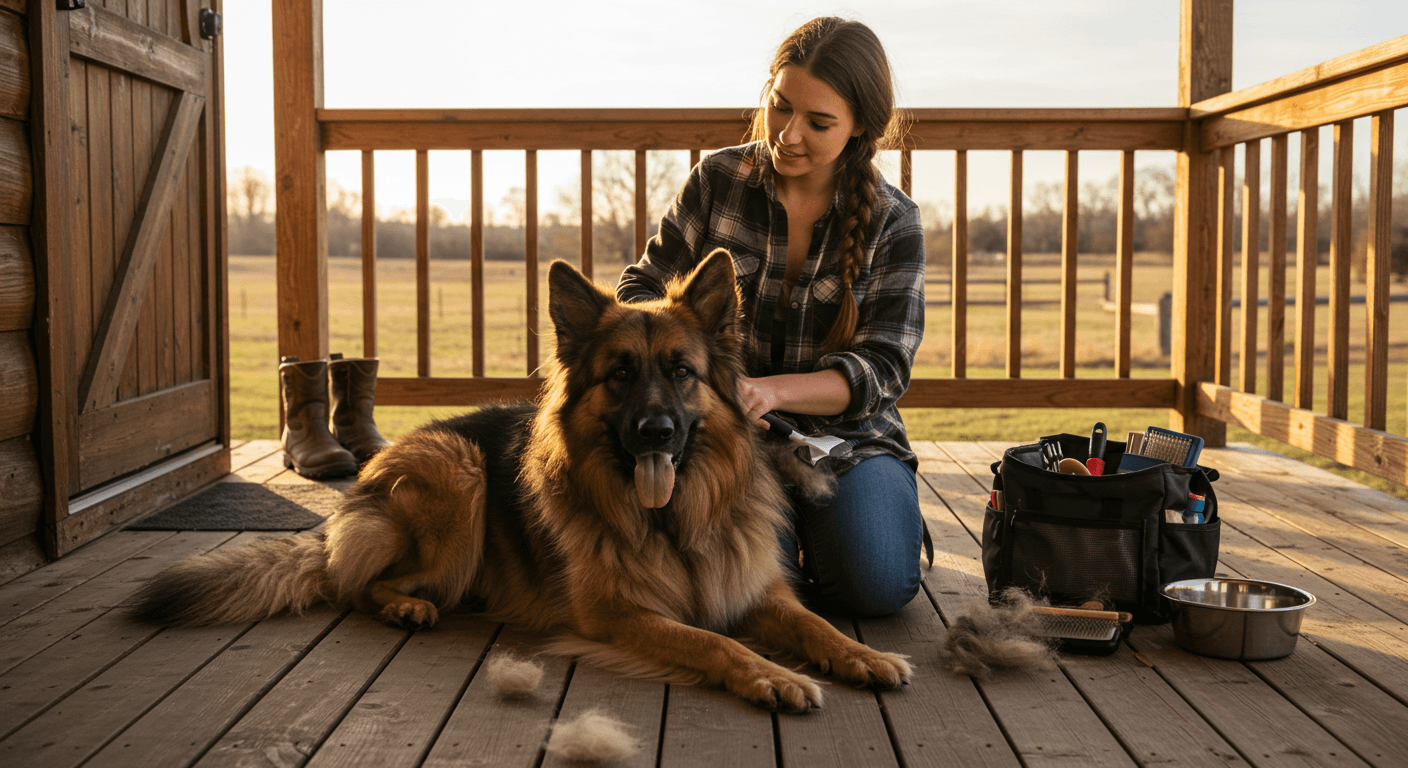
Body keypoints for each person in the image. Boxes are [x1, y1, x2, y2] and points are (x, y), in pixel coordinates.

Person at [616, 17, 926, 617]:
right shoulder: (716, 181)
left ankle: (827, 533)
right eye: (780, 107)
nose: (788, 133)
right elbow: (642, 287)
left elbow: (882, 369)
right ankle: (797, 544)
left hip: (849, 440)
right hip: (722, 438)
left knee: (877, 584)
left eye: (819, 122)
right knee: (740, 596)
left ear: (861, 126)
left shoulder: (895, 220)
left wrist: (767, 390)